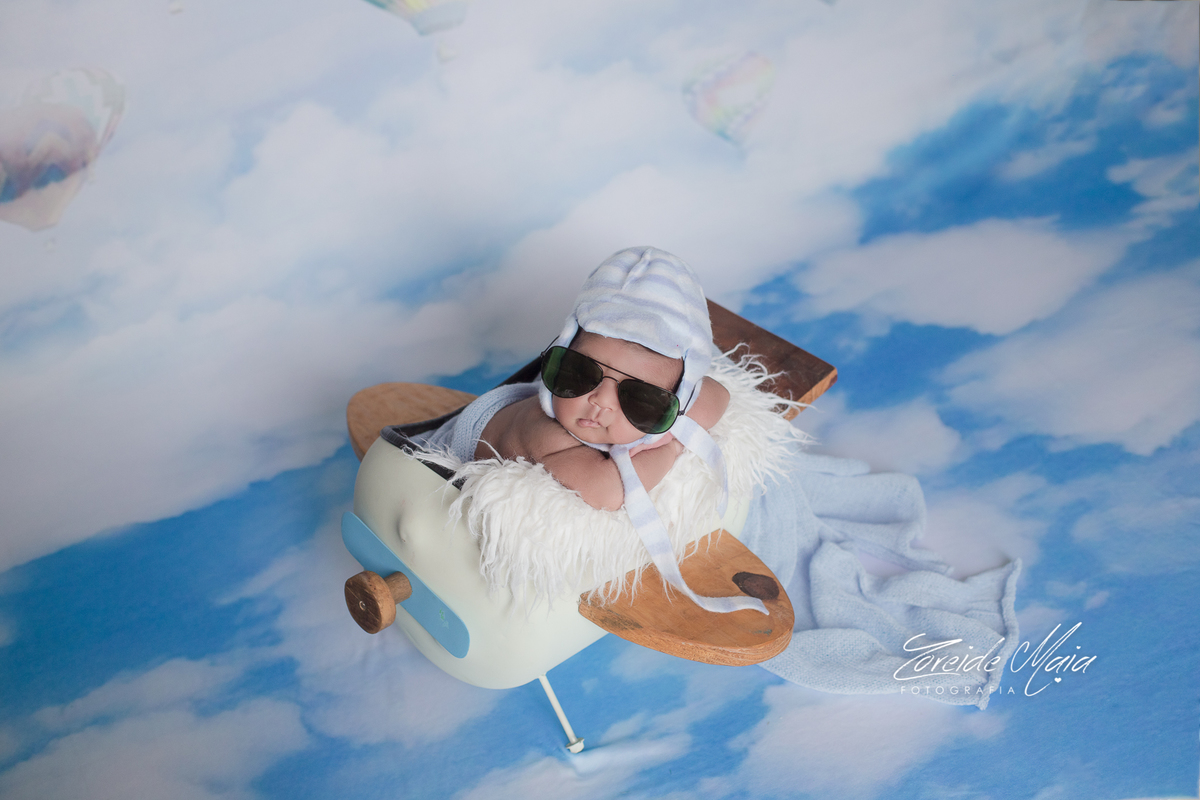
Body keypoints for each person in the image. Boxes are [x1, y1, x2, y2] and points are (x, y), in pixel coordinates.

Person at [414, 245, 1020, 707]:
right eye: (578, 375)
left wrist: (679, 413)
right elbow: (605, 491)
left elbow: (718, 396)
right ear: (558, 358)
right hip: (436, 486)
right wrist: (671, 441)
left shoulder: (613, 407)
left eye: (640, 401)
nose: (597, 405)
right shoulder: (543, 429)